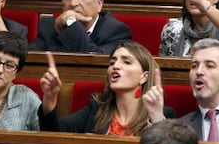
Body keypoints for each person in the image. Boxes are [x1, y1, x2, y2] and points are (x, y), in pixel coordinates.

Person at [39, 41, 176, 135]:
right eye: (112, 62)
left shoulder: (163, 114)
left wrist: (156, 117)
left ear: (144, 77)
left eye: (126, 62)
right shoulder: (96, 109)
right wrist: (50, 99)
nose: (115, 66)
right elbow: (54, 134)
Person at [29, 0, 132, 53]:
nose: (73, 3)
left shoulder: (116, 31)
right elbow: (31, 61)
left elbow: (94, 61)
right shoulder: (48, 27)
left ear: (99, 4)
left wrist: (71, 23)